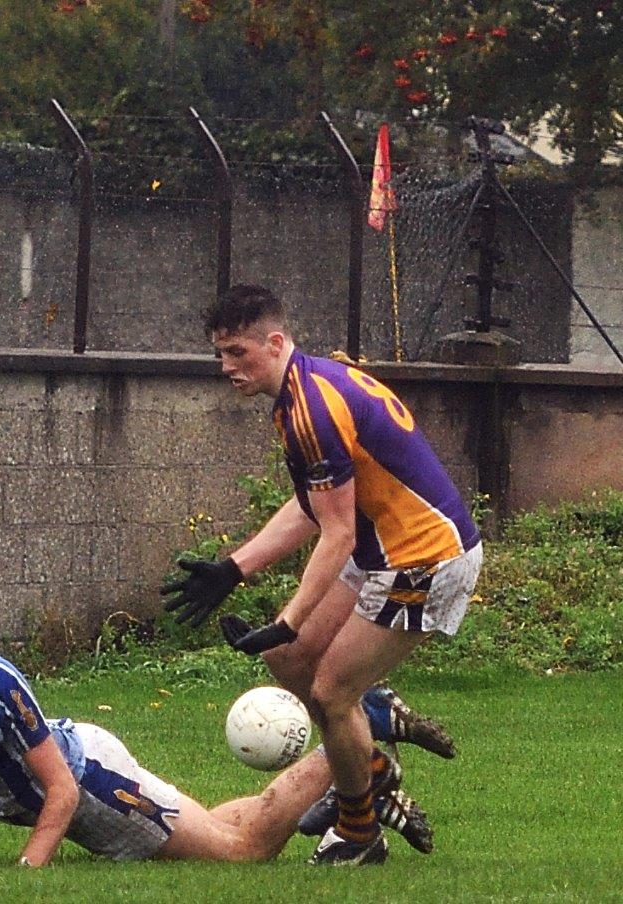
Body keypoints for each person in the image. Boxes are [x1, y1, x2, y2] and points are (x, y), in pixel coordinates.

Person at [162, 284, 482, 865]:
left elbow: (335, 533)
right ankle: (369, 758)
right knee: (288, 662)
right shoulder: (303, 388)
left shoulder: (309, 409)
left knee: (332, 690)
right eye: (220, 354)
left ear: (275, 341)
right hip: (383, 549)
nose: (226, 367)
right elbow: (316, 505)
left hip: (426, 558)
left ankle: (360, 832)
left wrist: (288, 620)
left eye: (237, 352)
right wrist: (234, 568)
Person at [0, 614, 438, 867]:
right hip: (76, 791)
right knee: (213, 826)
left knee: (239, 852)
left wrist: (28, 870)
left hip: (89, 784)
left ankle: (354, 744)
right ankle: (353, 764)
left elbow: (59, 789)